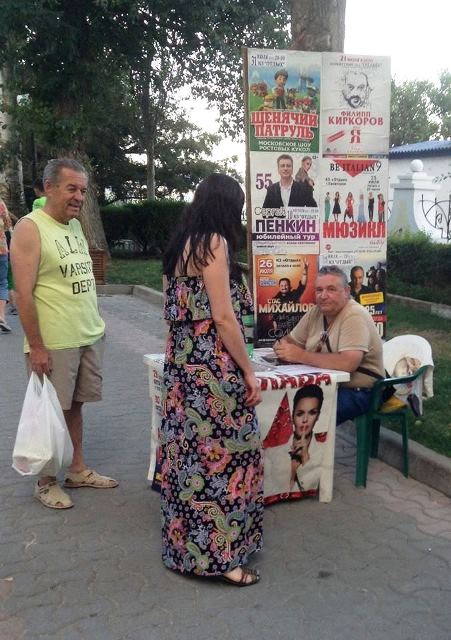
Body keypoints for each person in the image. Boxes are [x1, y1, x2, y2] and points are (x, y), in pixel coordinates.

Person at [160, 173, 263, 587]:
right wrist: (249, 370)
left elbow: (172, 315)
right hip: (214, 371)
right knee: (227, 457)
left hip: (181, 369)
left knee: (187, 459)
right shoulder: (213, 244)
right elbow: (223, 317)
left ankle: (184, 551)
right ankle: (224, 560)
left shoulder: (177, 247)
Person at [10, 158, 118, 510]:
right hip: (54, 343)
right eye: (71, 188)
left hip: (86, 335)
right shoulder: (30, 228)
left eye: (83, 191)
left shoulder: (73, 226)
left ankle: (77, 469)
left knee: (76, 406)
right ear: (49, 187)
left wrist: (96, 327)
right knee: (50, 412)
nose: (79, 197)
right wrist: (36, 346)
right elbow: (22, 293)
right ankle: (45, 482)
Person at [273, 265, 384, 425]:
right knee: (277, 408)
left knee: (301, 418)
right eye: (319, 290)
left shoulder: (354, 315)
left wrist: (299, 355)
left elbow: (348, 363)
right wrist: (282, 347)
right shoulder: (315, 312)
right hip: (324, 386)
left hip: (359, 391)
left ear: (346, 291)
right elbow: (291, 340)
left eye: (331, 289)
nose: (323, 296)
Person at [289, 385, 323, 490]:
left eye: (312, 413)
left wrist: (305, 457)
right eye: (300, 414)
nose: (305, 420)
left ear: (318, 416)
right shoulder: (276, 449)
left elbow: (310, 488)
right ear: (292, 416)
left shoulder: (322, 448)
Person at [271, 258, 309, 336]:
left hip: (296, 328)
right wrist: (276, 330)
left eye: (286, 285)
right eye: (282, 286)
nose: (284, 287)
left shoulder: (295, 294)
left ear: (290, 286)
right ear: (279, 287)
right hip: (283, 330)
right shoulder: (275, 299)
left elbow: (303, 285)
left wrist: (305, 271)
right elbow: (274, 318)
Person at [0, 198, 13, 332]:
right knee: (2, 283)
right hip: (1, 249)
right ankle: (2, 316)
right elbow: (8, 223)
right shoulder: (0, 203)